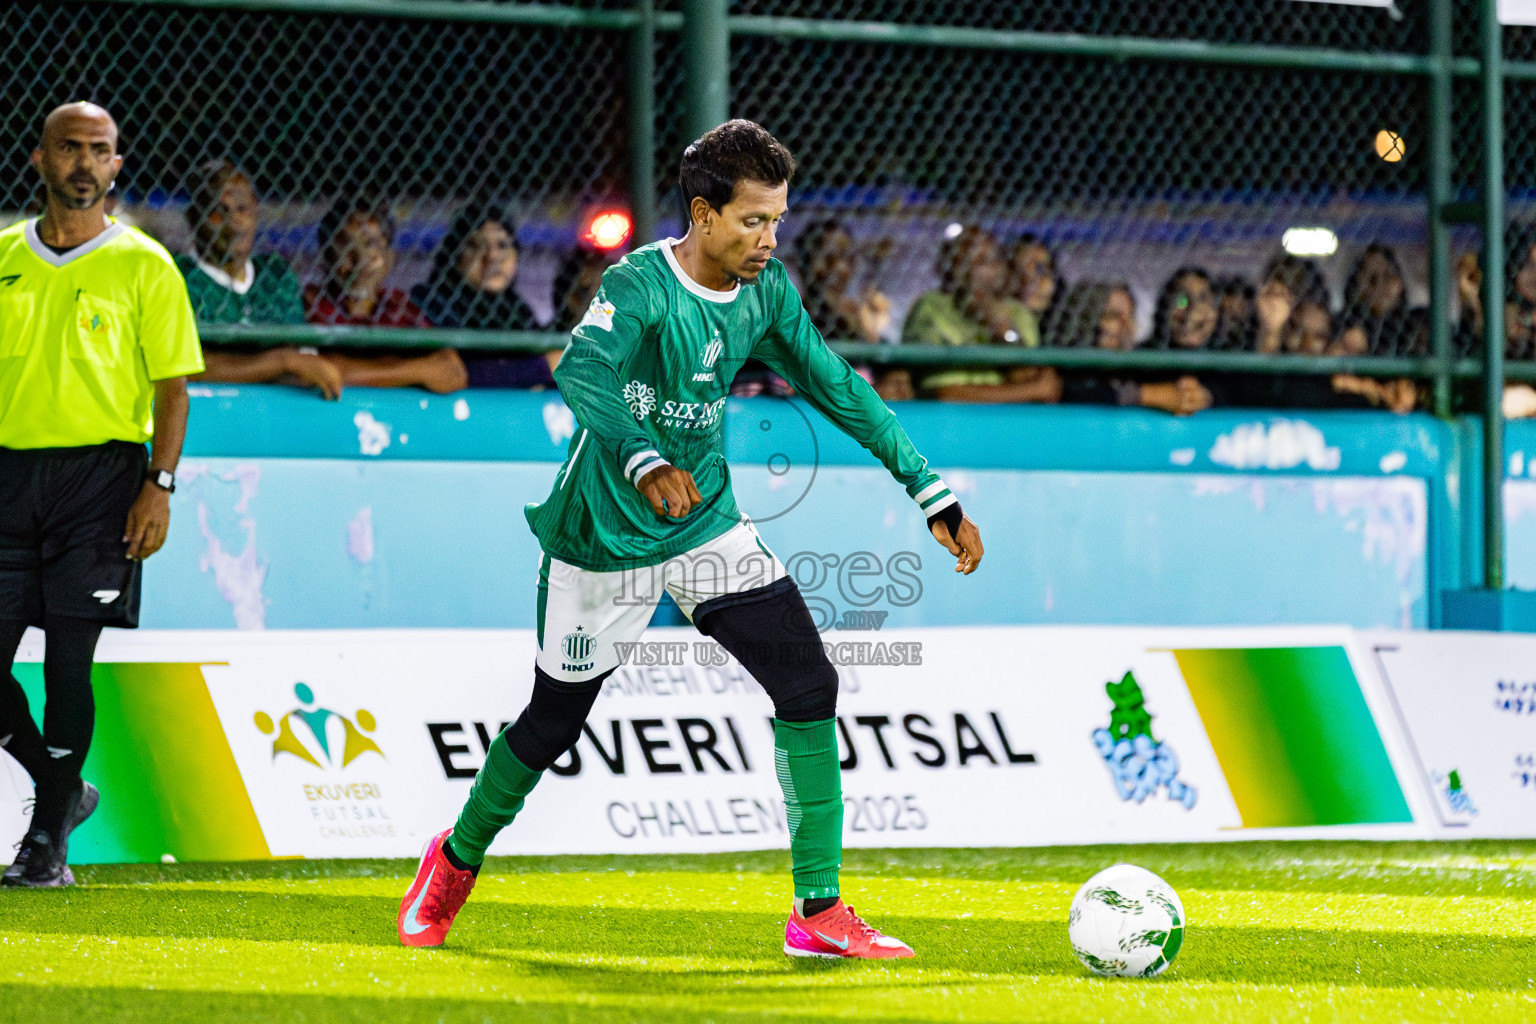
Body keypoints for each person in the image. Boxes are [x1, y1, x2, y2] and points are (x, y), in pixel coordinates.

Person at [396, 120, 982, 959]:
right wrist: (640, 460)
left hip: (705, 521)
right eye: (752, 220)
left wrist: (929, 488)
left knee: (807, 681)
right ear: (703, 216)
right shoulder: (638, 283)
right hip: (604, 528)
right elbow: (584, 370)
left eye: (778, 219)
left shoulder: (768, 292)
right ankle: (451, 864)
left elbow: (836, 385)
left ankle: (817, 913)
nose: (769, 239)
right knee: (554, 722)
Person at [0, 103, 204, 886]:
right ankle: (62, 789)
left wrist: (159, 485)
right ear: (39, 158)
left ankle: (45, 846)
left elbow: (173, 388)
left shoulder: (145, 265)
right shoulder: (6, 257)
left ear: (117, 164)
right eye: (70, 148)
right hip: (9, 480)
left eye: (100, 151)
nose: (85, 163)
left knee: (66, 667)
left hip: (101, 480)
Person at [176, 158, 343, 398]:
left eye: (243, 209)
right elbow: (182, 367)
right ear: (193, 218)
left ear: (256, 210)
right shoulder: (177, 277)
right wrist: (282, 362)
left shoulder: (276, 277)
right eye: (217, 212)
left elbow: (306, 360)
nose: (235, 222)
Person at [305, 197, 467, 393]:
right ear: (326, 258)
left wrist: (353, 369)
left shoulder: (401, 307)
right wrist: (419, 370)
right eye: (345, 247)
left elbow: (451, 370)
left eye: (371, 244)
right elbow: (315, 368)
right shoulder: (309, 303)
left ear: (390, 259)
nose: (360, 259)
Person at [900, 226, 1060, 403]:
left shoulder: (1016, 312)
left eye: (986, 260)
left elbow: (1042, 385)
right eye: (962, 261)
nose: (970, 270)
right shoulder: (933, 307)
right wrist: (1023, 391)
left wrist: (1004, 333)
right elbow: (944, 393)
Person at [411, 202, 559, 389]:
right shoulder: (431, 302)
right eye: (476, 245)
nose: (492, 256)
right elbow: (454, 373)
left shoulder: (516, 309)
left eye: (503, 245)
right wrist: (541, 369)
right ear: (455, 255)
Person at [1050, 281, 1212, 416]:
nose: (1126, 326)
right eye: (1112, 315)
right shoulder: (1068, 364)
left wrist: (1193, 394)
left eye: (1130, 316)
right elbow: (1074, 391)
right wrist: (1149, 395)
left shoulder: (1140, 362)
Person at [791, 218, 911, 400]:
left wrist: (869, 332)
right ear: (803, 264)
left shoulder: (856, 322)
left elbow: (895, 374)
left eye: (846, 259)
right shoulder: (792, 320)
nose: (838, 268)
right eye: (828, 259)